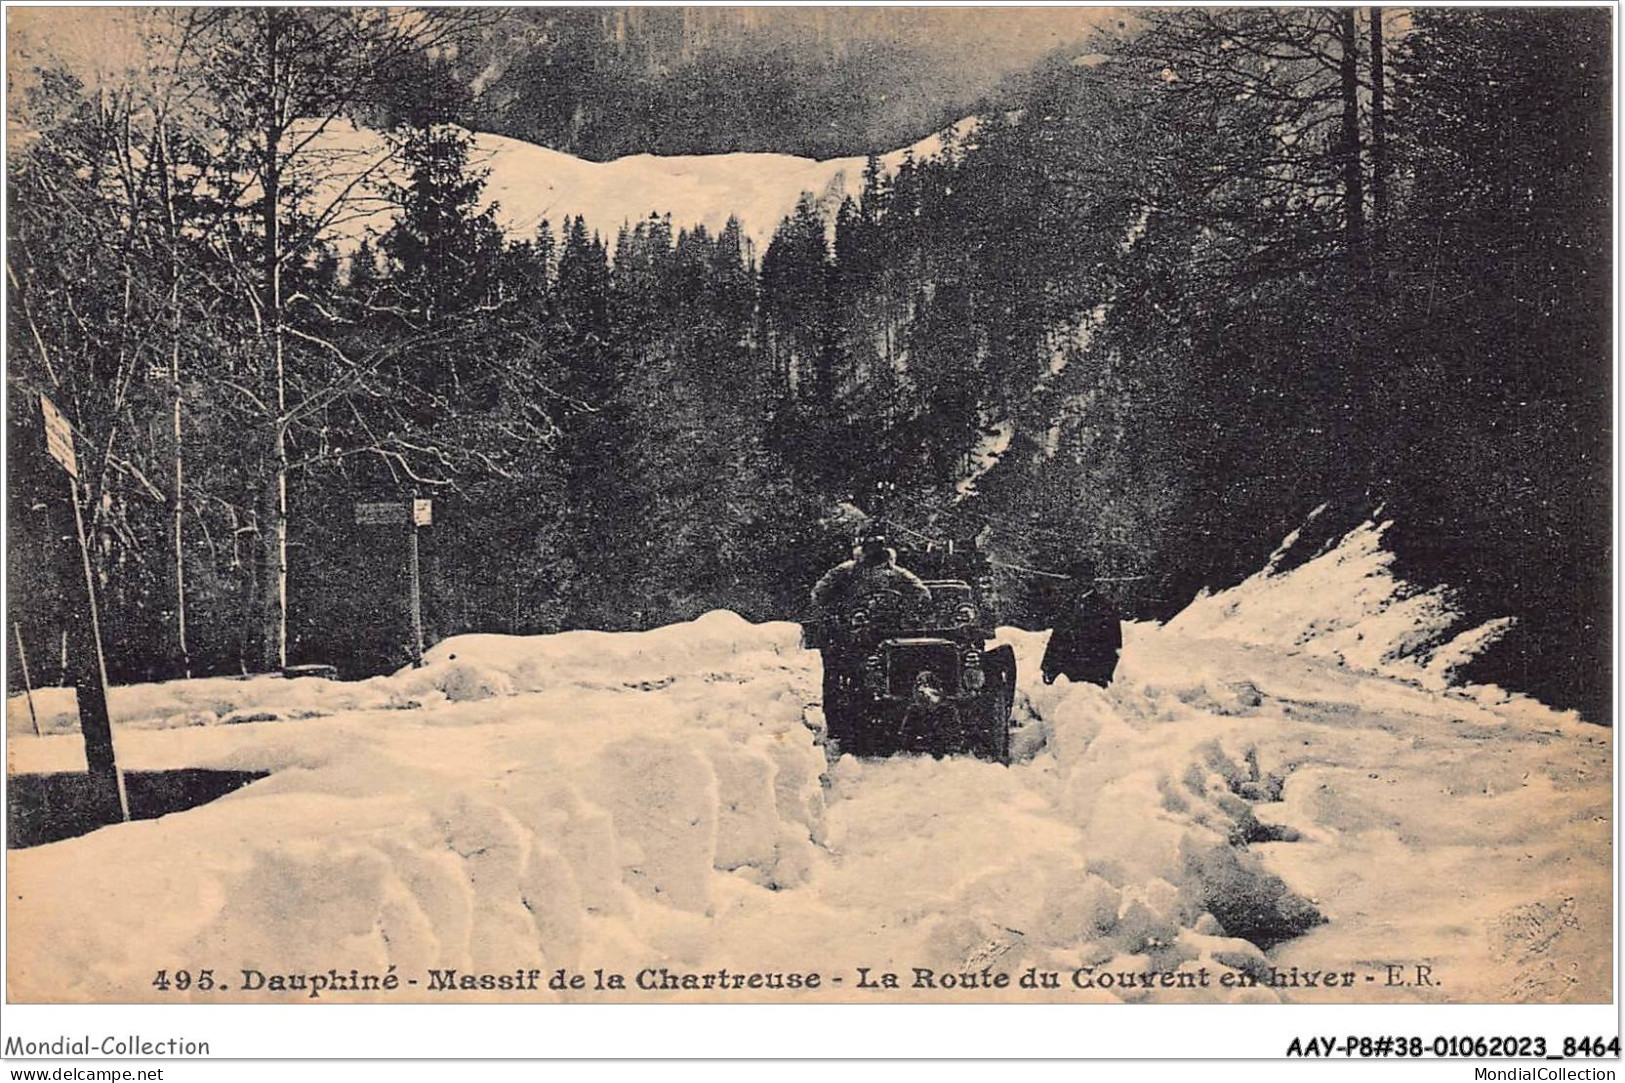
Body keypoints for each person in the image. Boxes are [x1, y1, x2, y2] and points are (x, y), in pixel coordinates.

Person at [810, 526, 932, 617]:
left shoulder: (897, 572)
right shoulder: (847, 570)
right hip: (854, 617)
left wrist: (908, 608)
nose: (874, 557)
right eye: (871, 553)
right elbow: (821, 591)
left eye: (878, 553)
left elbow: (921, 592)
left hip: (891, 619)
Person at [1040, 559, 1122, 687]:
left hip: (1092, 679)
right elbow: (1057, 639)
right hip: (1066, 679)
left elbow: (1113, 645)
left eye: (1081, 579)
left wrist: (1104, 675)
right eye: (1074, 579)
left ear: (1090, 581)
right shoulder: (1067, 606)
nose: (1076, 583)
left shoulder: (1104, 607)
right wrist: (1048, 667)